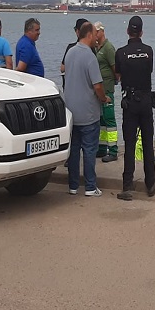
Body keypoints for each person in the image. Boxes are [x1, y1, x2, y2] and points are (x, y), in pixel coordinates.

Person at [63, 22, 110, 197]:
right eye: (94, 34)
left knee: (74, 150)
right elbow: (97, 85)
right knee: (89, 150)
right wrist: (104, 98)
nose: (96, 37)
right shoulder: (90, 57)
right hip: (88, 112)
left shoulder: (70, 53)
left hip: (71, 110)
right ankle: (90, 186)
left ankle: (73, 185)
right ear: (89, 35)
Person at [114, 16, 155, 200]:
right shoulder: (148, 51)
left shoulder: (121, 53)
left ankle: (127, 185)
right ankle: (149, 182)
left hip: (130, 101)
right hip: (146, 100)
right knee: (148, 143)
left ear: (128, 32)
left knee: (130, 144)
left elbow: (118, 76)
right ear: (141, 32)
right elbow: (149, 71)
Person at [93, 21, 119, 162]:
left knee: (109, 120)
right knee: (102, 120)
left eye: (96, 32)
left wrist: (114, 81)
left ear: (102, 31)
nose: (95, 35)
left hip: (107, 88)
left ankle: (113, 150)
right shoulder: (98, 48)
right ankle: (102, 148)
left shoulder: (108, 48)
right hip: (100, 89)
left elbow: (115, 68)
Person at [60, 18, 89, 88]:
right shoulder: (91, 49)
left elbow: (62, 68)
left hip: (71, 87)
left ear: (77, 31)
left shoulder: (71, 48)